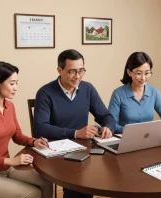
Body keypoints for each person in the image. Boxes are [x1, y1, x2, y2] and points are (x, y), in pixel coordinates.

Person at [33, 49, 116, 198]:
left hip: (82, 149)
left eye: (81, 71)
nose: (78, 77)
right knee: (80, 185)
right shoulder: (45, 93)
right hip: (56, 152)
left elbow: (106, 116)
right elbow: (40, 128)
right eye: (72, 72)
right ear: (59, 70)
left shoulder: (87, 88)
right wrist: (75, 133)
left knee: (102, 175)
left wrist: (108, 127)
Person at [0, 62, 53, 198]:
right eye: (12, 83)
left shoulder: (9, 106)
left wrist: (34, 141)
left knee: (47, 181)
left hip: (7, 169)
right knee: (33, 194)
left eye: (16, 83)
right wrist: (10, 161)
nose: (16, 88)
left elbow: (17, 135)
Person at [108, 52, 161, 133]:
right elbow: (111, 124)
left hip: (149, 139)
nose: (143, 78)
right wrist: (134, 131)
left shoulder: (154, 92)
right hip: (125, 139)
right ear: (129, 72)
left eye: (147, 73)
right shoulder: (118, 94)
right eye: (139, 73)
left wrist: (158, 129)